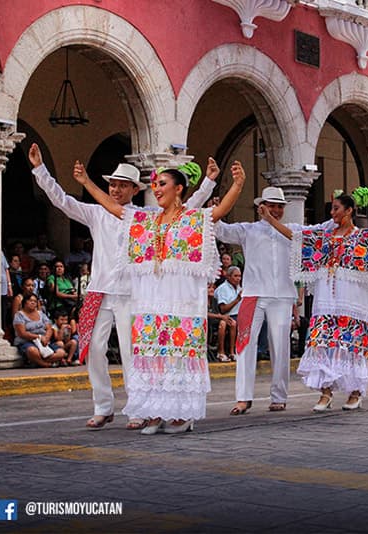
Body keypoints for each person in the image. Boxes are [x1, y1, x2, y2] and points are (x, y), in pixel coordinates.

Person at [29, 142, 217, 430]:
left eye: (122, 185)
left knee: (133, 354)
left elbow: (187, 211)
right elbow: (62, 201)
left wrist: (207, 183)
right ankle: (103, 406)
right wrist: (40, 170)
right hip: (99, 290)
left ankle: (138, 409)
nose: (116, 190)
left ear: (135, 190)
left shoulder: (145, 218)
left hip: (133, 294)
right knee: (92, 348)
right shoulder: (96, 213)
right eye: (113, 185)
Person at [75, 154, 244, 434]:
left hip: (181, 301)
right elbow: (113, 208)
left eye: (162, 183)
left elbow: (218, 212)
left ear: (178, 189)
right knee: (153, 354)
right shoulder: (146, 221)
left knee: (177, 356)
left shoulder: (190, 218)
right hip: (152, 301)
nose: (157, 188)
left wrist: (237, 185)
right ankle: (154, 410)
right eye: (154, 184)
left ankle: (181, 414)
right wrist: (86, 182)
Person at [216, 186, 334, 415]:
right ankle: (243, 398)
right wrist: (217, 210)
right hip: (253, 295)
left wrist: (335, 211)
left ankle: (279, 397)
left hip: (281, 295)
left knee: (280, 347)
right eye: (272, 205)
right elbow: (220, 230)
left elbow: (319, 231)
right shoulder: (247, 230)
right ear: (261, 206)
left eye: (280, 206)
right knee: (244, 345)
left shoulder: (292, 230)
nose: (276, 210)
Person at [261, 189, 368, 411]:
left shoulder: (363, 237)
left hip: (352, 299)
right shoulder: (324, 237)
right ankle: (325, 393)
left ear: (349, 210)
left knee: (349, 345)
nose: (332, 213)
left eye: (336, 208)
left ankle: (355, 393)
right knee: (322, 342)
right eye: (332, 209)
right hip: (327, 298)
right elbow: (294, 236)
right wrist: (269, 219)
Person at [13, 293, 66, 367]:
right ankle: (44, 364)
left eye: (35, 301)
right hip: (27, 342)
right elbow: (22, 333)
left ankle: (36, 361)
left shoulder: (41, 314)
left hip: (43, 342)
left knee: (61, 352)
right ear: (24, 302)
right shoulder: (19, 315)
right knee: (32, 351)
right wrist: (39, 337)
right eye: (30, 300)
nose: (33, 302)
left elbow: (49, 328)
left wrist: (46, 338)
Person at [213, 266, 242, 362]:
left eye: (239, 276)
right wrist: (237, 299)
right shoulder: (223, 289)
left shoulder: (239, 288)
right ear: (228, 277)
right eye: (235, 276)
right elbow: (223, 309)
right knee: (232, 322)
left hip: (240, 315)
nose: (238, 278)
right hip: (228, 315)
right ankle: (229, 352)